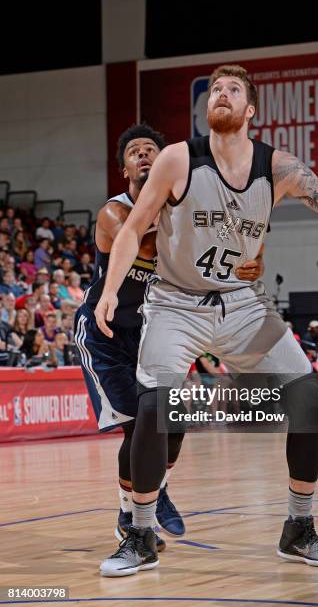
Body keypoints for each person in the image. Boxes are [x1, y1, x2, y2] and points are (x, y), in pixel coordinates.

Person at [95, 65, 318, 575]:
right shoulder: (179, 158)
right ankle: (138, 533)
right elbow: (134, 229)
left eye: (233, 90)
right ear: (207, 109)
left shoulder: (277, 165)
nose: (221, 95)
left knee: (308, 398)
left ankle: (299, 527)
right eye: (215, 90)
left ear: (250, 111)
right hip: (176, 304)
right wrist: (110, 290)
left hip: (243, 304)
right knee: (157, 407)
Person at [77, 122, 264, 557]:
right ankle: (129, 515)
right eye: (134, 152)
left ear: (165, 162)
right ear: (124, 168)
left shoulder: (184, 210)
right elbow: (144, 245)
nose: (142, 155)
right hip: (107, 334)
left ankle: (156, 488)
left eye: (151, 151)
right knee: (140, 427)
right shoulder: (114, 211)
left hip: (156, 330)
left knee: (175, 423)